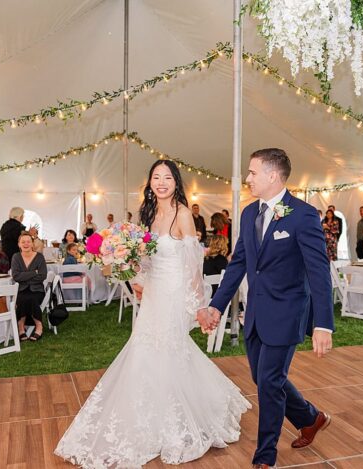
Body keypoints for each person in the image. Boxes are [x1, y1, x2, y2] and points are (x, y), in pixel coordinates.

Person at [56, 159, 250, 467]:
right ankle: (152, 417)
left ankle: (181, 420)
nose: (161, 182)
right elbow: (148, 260)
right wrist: (132, 272)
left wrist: (198, 306)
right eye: (156, 177)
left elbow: (193, 266)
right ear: (150, 183)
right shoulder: (151, 215)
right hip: (155, 294)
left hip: (174, 295)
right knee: (146, 350)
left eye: (167, 177)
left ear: (176, 182)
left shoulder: (183, 214)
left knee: (169, 350)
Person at [201, 148, 334, 469]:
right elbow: (240, 264)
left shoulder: (303, 215)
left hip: (288, 313)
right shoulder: (248, 214)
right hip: (256, 314)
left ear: (273, 176)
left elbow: (319, 272)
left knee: (270, 383)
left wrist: (323, 324)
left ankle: (265, 458)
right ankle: (311, 418)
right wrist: (216, 306)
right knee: (264, 379)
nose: (247, 178)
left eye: (252, 173)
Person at [11, 233, 47, 341]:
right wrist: (33, 272)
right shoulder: (16, 257)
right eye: (23, 242)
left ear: (32, 244)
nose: (26, 244)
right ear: (19, 244)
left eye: (28, 242)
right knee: (21, 299)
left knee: (32, 298)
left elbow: (42, 276)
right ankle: (21, 328)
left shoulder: (39, 257)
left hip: (37, 290)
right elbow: (16, 276)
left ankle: (39, 326)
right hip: (21, 290)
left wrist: (25, 276)